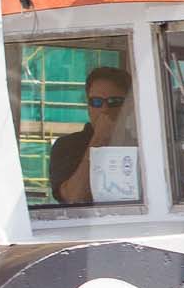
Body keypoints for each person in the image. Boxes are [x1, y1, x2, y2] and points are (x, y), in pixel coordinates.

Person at [49, 65, 135, 205]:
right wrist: (99, 139)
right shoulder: (67, 146)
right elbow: (74, 198)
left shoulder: (140, 145)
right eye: (96, 102)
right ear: (88, 107)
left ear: (129, 106)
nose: (104, 109)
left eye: (114, 102)